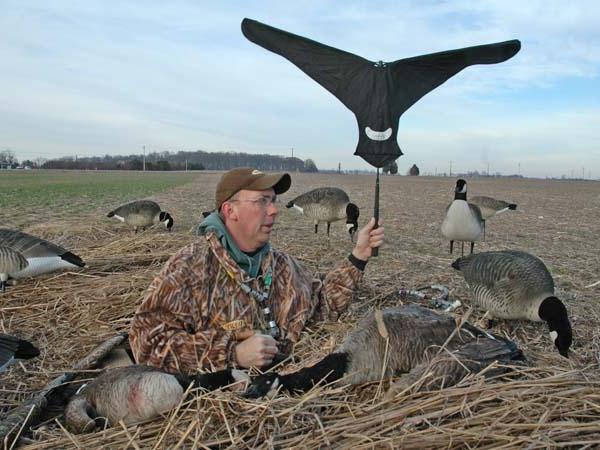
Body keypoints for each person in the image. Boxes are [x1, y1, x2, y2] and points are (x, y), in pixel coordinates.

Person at [129, 167, 384, 374]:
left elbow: (321, 307)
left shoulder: (282, 265)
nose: (274, 210)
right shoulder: (190, 268)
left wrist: (358, 256)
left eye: (273, 201)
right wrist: (233, 354)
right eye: (262, 201)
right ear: (231, 210)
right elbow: (147, 343)